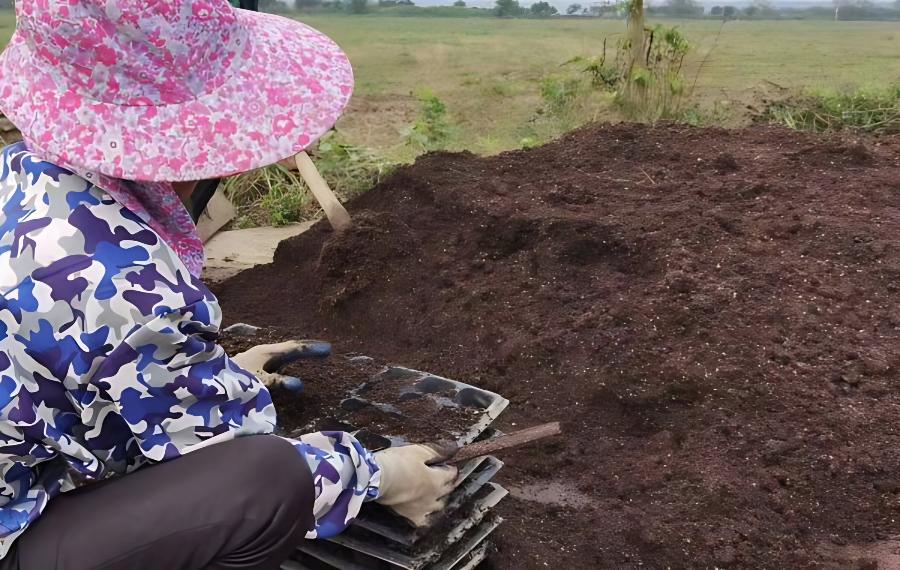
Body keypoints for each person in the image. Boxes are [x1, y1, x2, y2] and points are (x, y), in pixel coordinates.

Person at [0, 1, 457, 569]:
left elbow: (63, 369)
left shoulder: (20, 175)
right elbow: (227, 456)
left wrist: (203, 379)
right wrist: (387, 477)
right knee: (267, 479)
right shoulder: (125, 282)